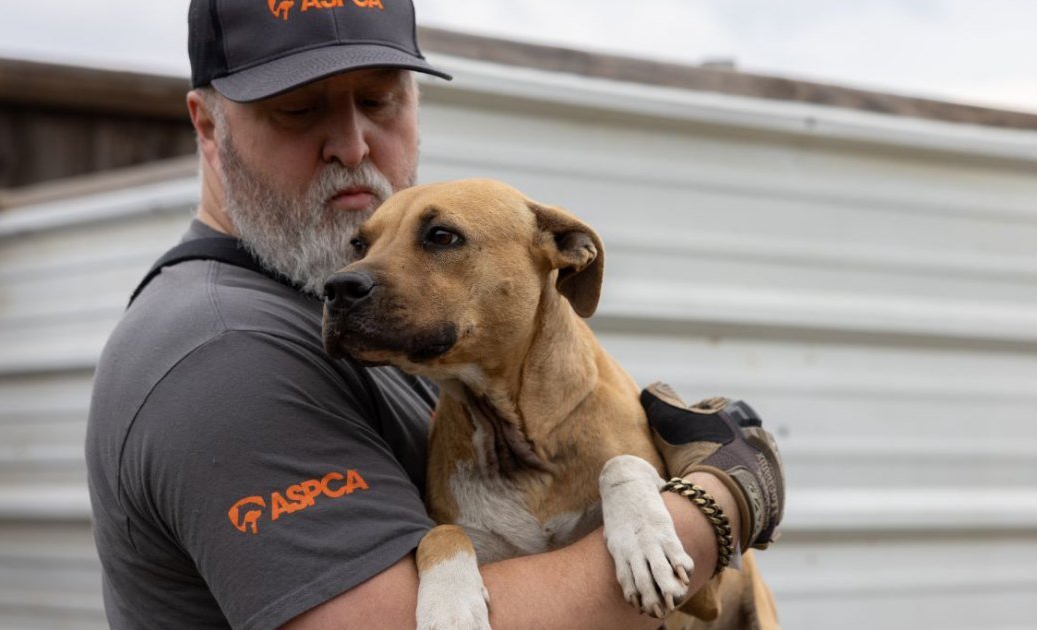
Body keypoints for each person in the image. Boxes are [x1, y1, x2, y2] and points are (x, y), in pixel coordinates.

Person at [85, 1, 784, 628]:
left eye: (381, 101)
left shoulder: (388, 325)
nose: (353, 145)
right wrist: (716, 508)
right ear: (209, 127)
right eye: (299, 109)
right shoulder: (220, 353)